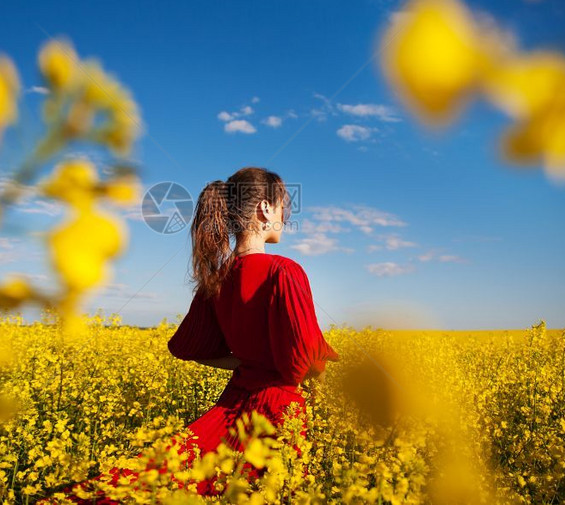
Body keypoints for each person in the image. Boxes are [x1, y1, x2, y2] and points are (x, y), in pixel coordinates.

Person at [37, 167, 339, 504]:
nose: (286, 213)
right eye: (284, 204)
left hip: (231, 409)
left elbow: (189, 348)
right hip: (278, 414)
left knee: (150, 483)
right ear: (265, 209)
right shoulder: (284, 271)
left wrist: (248, 362)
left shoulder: (217, 279)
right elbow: (306, 363)